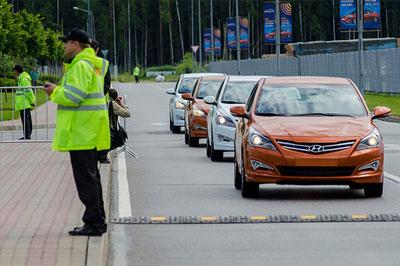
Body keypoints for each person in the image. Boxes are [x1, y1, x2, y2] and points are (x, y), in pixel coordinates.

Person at [43, 28, 110, 236]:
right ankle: (97, 220)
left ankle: (94, 223)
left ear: (75, 44)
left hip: (82, 131)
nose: (64, 47)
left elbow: (74, 96)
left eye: (66, 43)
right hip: (88, 130)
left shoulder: (80, 66)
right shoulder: (91, 64)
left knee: (86, 180)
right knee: (92, 178)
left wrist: (55, 91)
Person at [91, 39, 111, 163]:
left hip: (85, 105)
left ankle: (91, 155)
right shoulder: (104, 63)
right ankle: (102, 156)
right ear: (97, 49)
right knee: (102, 131)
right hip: (101, 104)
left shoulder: (81, 63)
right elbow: (107, 83)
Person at [13, 64, 35, 140]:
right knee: (27, 119)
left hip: (24, 102)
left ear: (17, 71)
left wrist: (32, 101)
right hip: (23, 102)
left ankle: (27, 135)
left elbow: (28, 91)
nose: (14, 72)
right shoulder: (22, 78)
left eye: (14, 70)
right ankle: (28, 134)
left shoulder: (23, 79)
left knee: (25, 120)